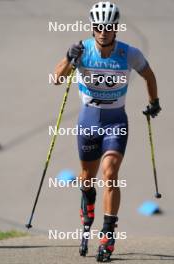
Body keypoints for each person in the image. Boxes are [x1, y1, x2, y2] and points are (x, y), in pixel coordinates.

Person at [54, 1, 161, 262]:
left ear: (116, 28)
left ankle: (108, 233)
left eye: (109, 27)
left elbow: (149, 75)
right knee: (86, 178)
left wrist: (154, 102)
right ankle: (87, 200)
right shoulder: (82, 50)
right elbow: (57, 78)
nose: (103, 31)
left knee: (110, 173)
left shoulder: (129, 53)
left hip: (116, 123)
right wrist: (69, 58)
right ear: (93, 28)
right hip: (88, 123)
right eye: (99, 26)